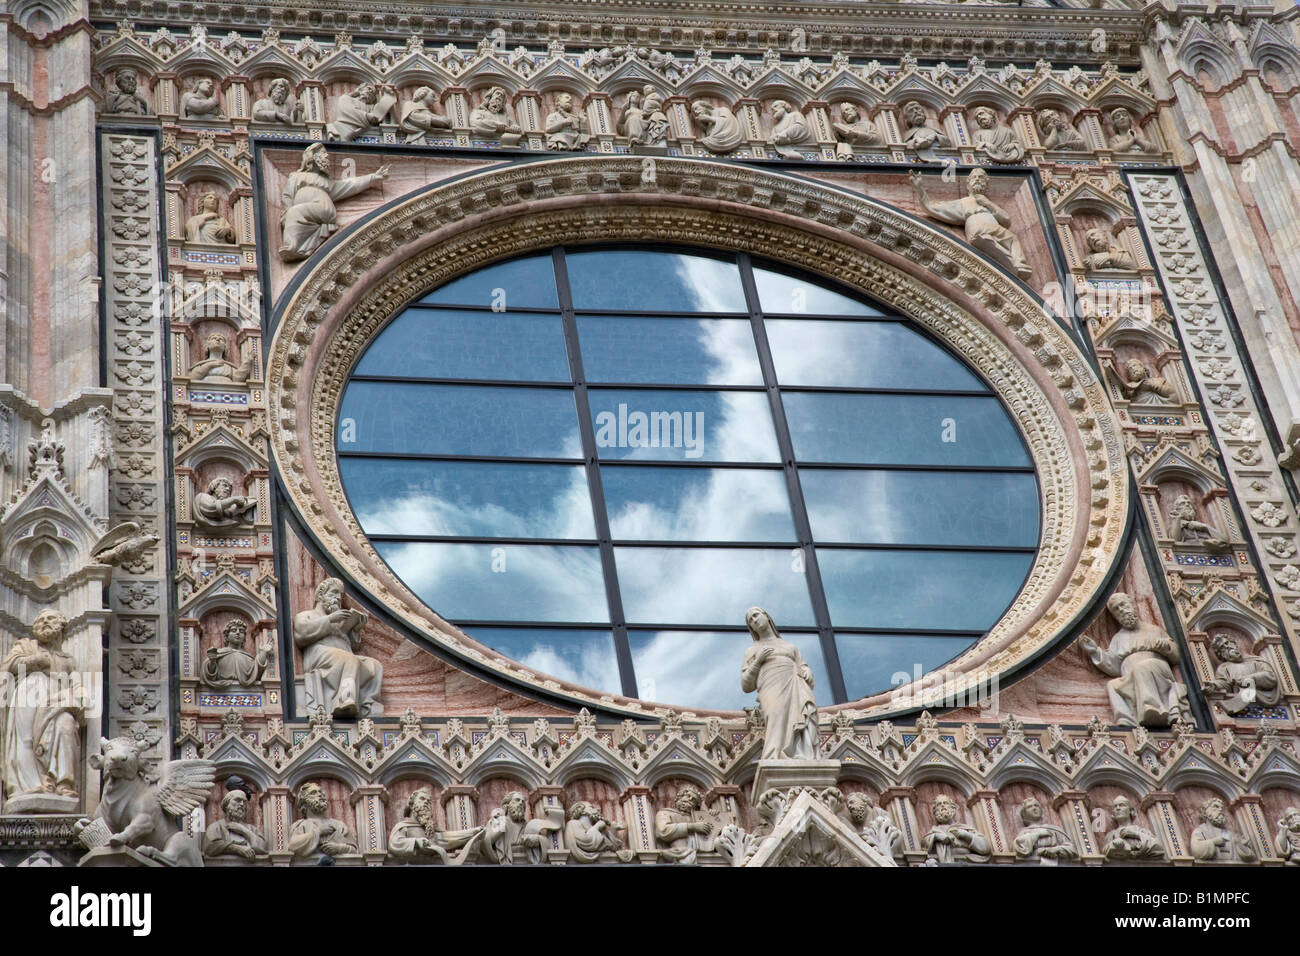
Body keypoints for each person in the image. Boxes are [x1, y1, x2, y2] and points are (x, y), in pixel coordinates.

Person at [1, 609, 82, 809]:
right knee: (25, 740)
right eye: (41, 619)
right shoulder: (25, 646)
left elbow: (79, 689)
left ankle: (62, 784)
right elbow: (9, 667)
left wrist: (72, 700)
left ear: (61, 626)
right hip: (26, 698)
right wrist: (36, 661)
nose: (45, 622)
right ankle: (29, 785)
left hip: (56, 705)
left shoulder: (68, 660)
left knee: (66, 725)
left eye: (51, 619)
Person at [1079, 592, 1191, 728]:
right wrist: (1095, 651)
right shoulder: (1118, 639)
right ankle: (1126, 719)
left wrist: (1165, 646)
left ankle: (1153, 709)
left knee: (1140, 668)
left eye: (1122, 605)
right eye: (1116, 609)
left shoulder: (1153, 630)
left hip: (1156, 671)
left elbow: (1175, 654)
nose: (1121, 610)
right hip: (1131, 676)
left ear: (1132, 605)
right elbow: (1114, 666)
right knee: (1112, 685)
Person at [909, 167, 1032, 279]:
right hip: (978, 226)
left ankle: (1013, 263)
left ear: (987, 186)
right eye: (975, 178)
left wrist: (988, 204)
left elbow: (1006, 220)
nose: (978, 180)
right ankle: (1015, 262)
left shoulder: (987, 202)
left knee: (1011, 239)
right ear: (968, 185)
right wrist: (920, 189)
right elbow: (935, 207)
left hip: (991, 229)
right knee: (1008, 238)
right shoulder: (965, 202)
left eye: (981, 178)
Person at [278, 143, 389, 261]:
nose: (326, 158)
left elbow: (350, 185)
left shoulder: (328, 183)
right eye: (323, 155)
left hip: (323, 208)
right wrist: (286, 212)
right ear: (312, 158)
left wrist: (373, 177)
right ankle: (298, 246)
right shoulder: (296, 177)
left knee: (294, 212)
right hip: (308, 210)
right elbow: (287, 195)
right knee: (292, 213)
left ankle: (292, 247)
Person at [293, 577, 383, 719]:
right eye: (334, 593)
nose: (337, 598)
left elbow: (351, 645)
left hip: (341, 657)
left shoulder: (340, 622)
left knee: (374, 665)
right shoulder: (306, 615)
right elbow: (302, 633)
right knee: (349, 659)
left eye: (340, 596)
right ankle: (344, 700)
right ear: (321, 595)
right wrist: (330, 619)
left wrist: (356, 629)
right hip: (318, 654)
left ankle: (367, 704)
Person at [740, 606, 818, 760]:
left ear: (766, 616)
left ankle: (800, 753)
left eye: (756, 615)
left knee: (804, 713)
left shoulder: (790, 646)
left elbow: (802, 666)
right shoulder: (752, 650)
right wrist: (758, 661)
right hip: (771, 688)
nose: (754, 620)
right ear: (751, 628)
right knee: (775, 715)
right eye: (751, 621)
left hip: (796, 685)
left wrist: (806, 671)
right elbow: (746, 685)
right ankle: (773, 755)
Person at [1205, 632, 1281, 713]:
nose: (1227, 647)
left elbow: (1270, 676)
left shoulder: (1255, 661)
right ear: (1221, 655)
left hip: (1264, 700)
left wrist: (1250, 678)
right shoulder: (1224, 668)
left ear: (1235, 645)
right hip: (1242, 711)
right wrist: (1214, 685)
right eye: (1222, 647)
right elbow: (1224, 683)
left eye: (1227, 643)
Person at [203, 785, 268, 862]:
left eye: (244, 802)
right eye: (238, 800)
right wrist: (237, 848)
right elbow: (210, 847)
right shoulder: (216, 827)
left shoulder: (252, 829)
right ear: (227, 805)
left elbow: (262, 848)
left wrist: (244, 831)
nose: (242, 804)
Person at [200, 620, 272, 688]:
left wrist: (264, 652)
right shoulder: (218, 654)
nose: (238, 633)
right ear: (226, 636)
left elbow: (256, 673)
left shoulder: (248, 658)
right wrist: (212, 661)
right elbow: (209, 675)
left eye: (241, 631)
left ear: (244, 637)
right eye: (234, 630)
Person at [654, 784, 715, 863]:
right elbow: (663, 831)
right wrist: (692, 827)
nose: (689, 799)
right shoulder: (665, 813)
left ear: (696, 806)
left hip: (703, 855)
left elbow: (713, 833)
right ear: (679, 797)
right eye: (687, 796)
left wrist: (712, 817)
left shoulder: (697, 818)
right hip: (680, 853)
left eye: (693, 799)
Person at [923, 794, 991, 863]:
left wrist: (966, 835)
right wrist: (936, 837)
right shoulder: (934, 831)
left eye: (945, 803)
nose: (942, 805)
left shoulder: (965, 828)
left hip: (966, 862)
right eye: (939, 804)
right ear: (935, 811)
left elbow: (985, 849)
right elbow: (924, 846)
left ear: (953, 808)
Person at [326, 82, 396, 141]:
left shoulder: (371, 107)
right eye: (368, 89)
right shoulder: (346, 98)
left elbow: (378, 114)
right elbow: (347, 110)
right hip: (343, 127)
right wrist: (367, 116)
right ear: (360, 90)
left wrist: (387, 97)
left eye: (373, 92)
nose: (370, 92)